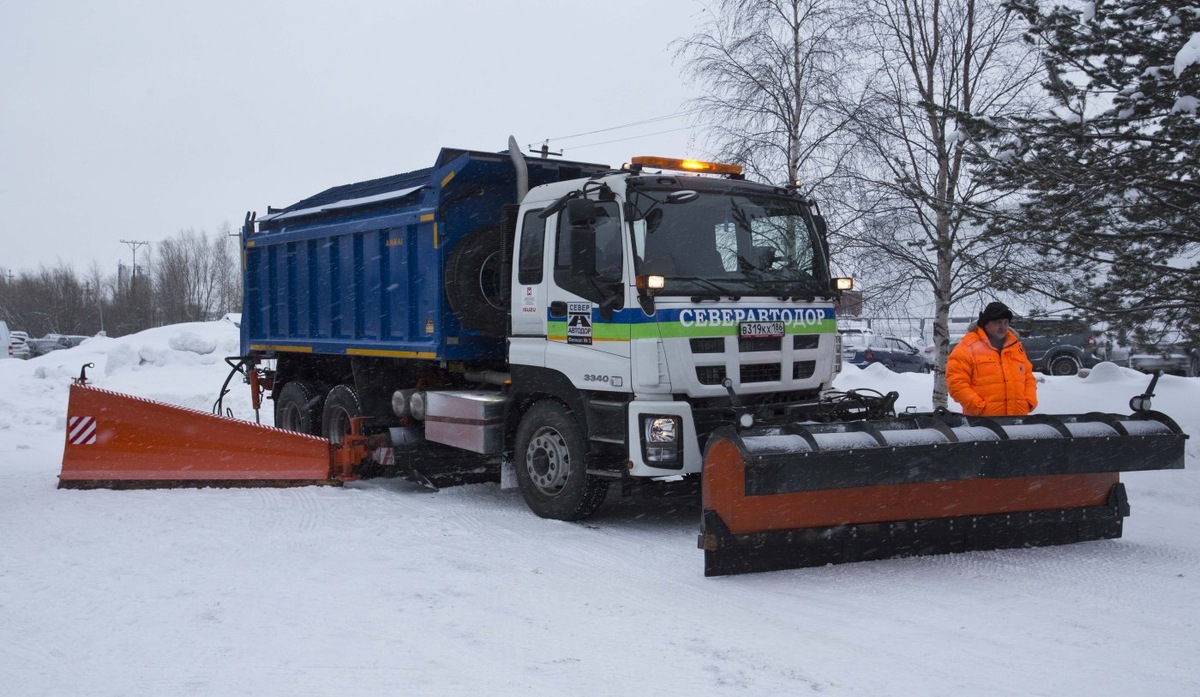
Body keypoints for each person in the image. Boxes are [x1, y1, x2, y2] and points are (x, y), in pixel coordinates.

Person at [946, 301, 1038, 416]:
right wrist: (978, 407)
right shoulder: (966, 347)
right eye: (998, 322)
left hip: (1017, 422)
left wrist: (1029, 401)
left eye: (1006, 322)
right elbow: (956, 383)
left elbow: (1028, 378)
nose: (1003, 327)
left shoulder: (1016, 347)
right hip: (983, 426)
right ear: (985, 323)